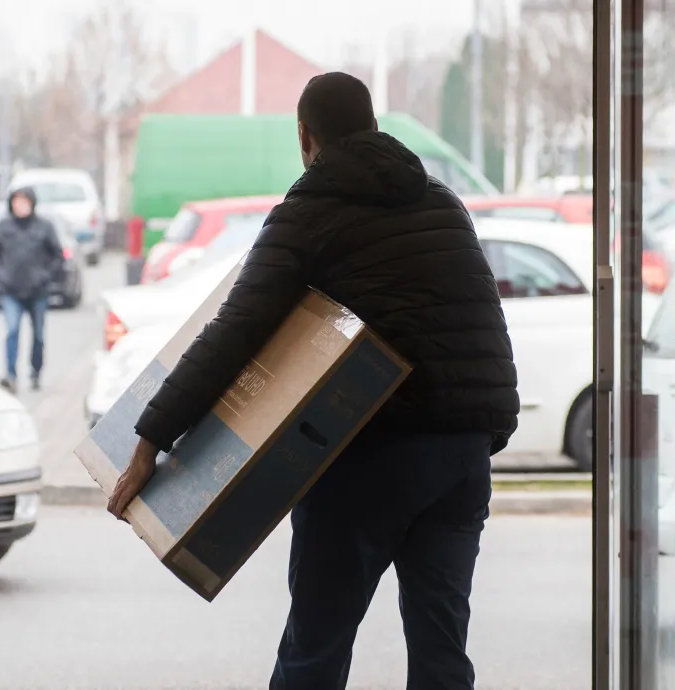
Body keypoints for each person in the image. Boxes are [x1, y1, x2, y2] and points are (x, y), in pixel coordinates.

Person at [108, 72, 519, 689]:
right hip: (463, 455)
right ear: (374, 127)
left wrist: (149, 438)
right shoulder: (442, 202)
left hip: (369, 457)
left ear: (305, 136)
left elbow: (234, 332)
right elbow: (482, 322)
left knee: (316, 649)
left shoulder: (309, 213)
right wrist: (483, 437)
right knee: (441, 653)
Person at [0, 187, 62, 393]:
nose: (20, 206)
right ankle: (10, 374)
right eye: (16, 202)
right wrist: (1, 277)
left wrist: (45, 276)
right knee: (12, 330)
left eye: (24, 202)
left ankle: (36, 371)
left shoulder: (44, 227)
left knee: (38, 334)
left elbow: (57, 255)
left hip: (37, 291)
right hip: (11, 290)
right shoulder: (4, 227)